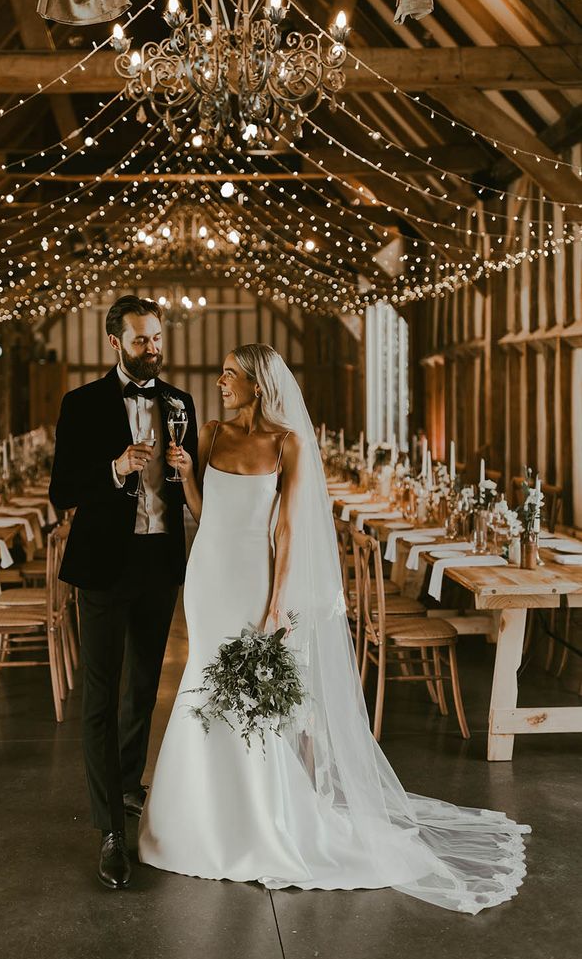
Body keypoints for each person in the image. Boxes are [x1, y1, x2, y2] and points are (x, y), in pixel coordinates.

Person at [139, 343, 529, 914]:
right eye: (221, 374)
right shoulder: (213, 434)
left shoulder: (288, 443)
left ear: (258, 382)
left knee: (250, 698)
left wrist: (276, 604)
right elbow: (204, 512)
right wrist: (184, 478)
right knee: (202, 679)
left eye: (230, 375)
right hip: (206, 577)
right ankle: (195, 817)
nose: (220, 383)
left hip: (253, 579)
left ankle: (260, 818)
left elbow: (289, 532)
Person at [49, 295, 198, 890]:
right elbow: (63, 490)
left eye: (158, 338)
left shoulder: (180, 403)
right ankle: (110, 829)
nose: (154, 349)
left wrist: (190, 473)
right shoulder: (81, 404)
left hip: (160, 562)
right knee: (101, 693)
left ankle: (129, 788)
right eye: (142, 341)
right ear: (116, 344)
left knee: (143, 688)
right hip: (104, 566)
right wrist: (114, 468)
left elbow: (197, 490)